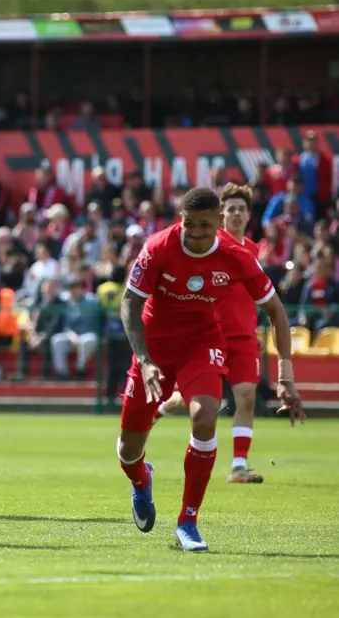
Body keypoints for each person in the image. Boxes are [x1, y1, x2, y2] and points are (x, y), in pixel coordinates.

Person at [119, 187, 304, 552]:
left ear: (219, 222)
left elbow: (277, 312)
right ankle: (142, 479)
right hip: (153, 348)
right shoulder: (158, 247)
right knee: (127, 451)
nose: (197, 232)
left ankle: (188, 521)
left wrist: (286, 376)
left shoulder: (235, 255)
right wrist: (143, 360)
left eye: (205, 225)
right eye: (190, 225)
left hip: (201, 344)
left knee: (205, 418)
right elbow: (129, 304)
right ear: (180, 220)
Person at [156, 183, 266, 483]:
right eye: (230, 208)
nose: (236, 214)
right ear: (221, 215)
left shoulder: (253, 250)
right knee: (201, 404)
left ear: (248, 215)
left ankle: (239, 466)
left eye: (241, 209)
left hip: (243, 336)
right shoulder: (207, 246)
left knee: (246, 398)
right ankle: (161, 407)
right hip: (210, 335)